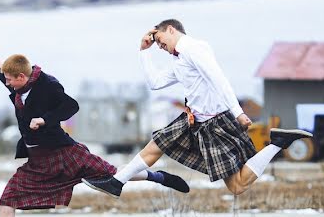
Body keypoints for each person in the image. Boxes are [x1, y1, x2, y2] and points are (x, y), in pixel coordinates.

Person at [0, 54, 190, 217]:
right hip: (37, 161)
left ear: (22, 76)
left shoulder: (48, 85)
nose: (6, 84)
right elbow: (11, 80)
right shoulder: (19, 81)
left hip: (64, 154)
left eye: (8, 79)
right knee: (7, 201)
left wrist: (45, 119)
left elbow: (70, 106)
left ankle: (159, 177)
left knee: (113, 175)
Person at [83, 19, 312, 199]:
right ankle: (117, 183)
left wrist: (238, 111)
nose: (161, 47)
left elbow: (218, 79)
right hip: (194, 120)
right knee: (155, 145)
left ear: (171, 29)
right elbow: (155, 83)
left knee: (237, 185)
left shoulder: (194, 49)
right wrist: (144, 51)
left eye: (161, 41)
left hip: (216, 123)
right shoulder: (180, 59)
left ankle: (277, 143)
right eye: (158, 46)